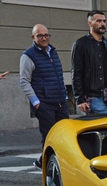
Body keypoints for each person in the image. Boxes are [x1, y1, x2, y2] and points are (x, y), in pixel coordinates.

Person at [20, 24, 69, 169]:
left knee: (63, 133)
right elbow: (24, 81)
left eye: (46, 35)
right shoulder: (28, 56)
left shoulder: (53, 52)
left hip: (60, 101)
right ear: (33, 37)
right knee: (48, 136)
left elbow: (58, 75)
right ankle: (47, 166)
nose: (44, 38)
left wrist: (65, 96)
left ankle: (44, 161)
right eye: (40, 35)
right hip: (44, 103)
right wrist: (35, 101)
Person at [71, 10, 107, 114]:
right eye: (98, 21)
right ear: (89, 23)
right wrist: (80, 99)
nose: (102, 24)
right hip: (93, 96)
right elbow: (76, 72)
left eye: (104, 21)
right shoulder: (80, 44)